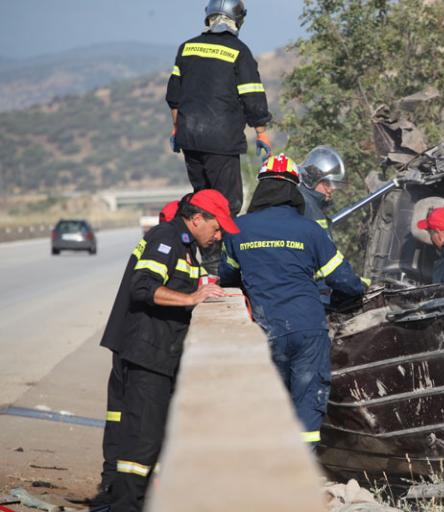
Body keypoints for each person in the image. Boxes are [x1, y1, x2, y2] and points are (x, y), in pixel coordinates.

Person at [92, 190, 239, 512]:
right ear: (197, 218)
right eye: (217, 227)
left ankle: (128, 500)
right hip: (148, 354)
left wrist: (204, 287)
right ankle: (125, 505)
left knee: (142, 437)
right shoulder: (167, 238)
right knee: (141, 444)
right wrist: (191, 299)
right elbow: (142, 286)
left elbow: (184, 280)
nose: (219, 235)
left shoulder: (184, 246)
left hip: (156, 353)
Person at [219, 154, 365, 446]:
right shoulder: (310, 230)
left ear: (262, 188)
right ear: (294, 190)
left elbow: (227, 280)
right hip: (307, 329)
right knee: (307, 405)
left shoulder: (237, 229)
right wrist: (347, 295)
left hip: (262, 332)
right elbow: (346, 283)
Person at [165, 0, 272, 273]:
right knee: (226, 204)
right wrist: (261, 132)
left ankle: (205, 262)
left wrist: (177, 130)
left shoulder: (187, 47)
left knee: (201, 200)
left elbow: (174, 98)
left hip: (190, 139)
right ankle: (224, 266)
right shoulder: (239, 51)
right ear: (237, 18)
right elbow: (253, 97)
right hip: (221, 142)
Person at [298, 146, 347, 302]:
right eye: (327, 183)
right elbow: (325, 258)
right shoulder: (309, 207)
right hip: (311, 292)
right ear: (313, 179)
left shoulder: (305, 200)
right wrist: (353, 284)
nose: (331, 189)